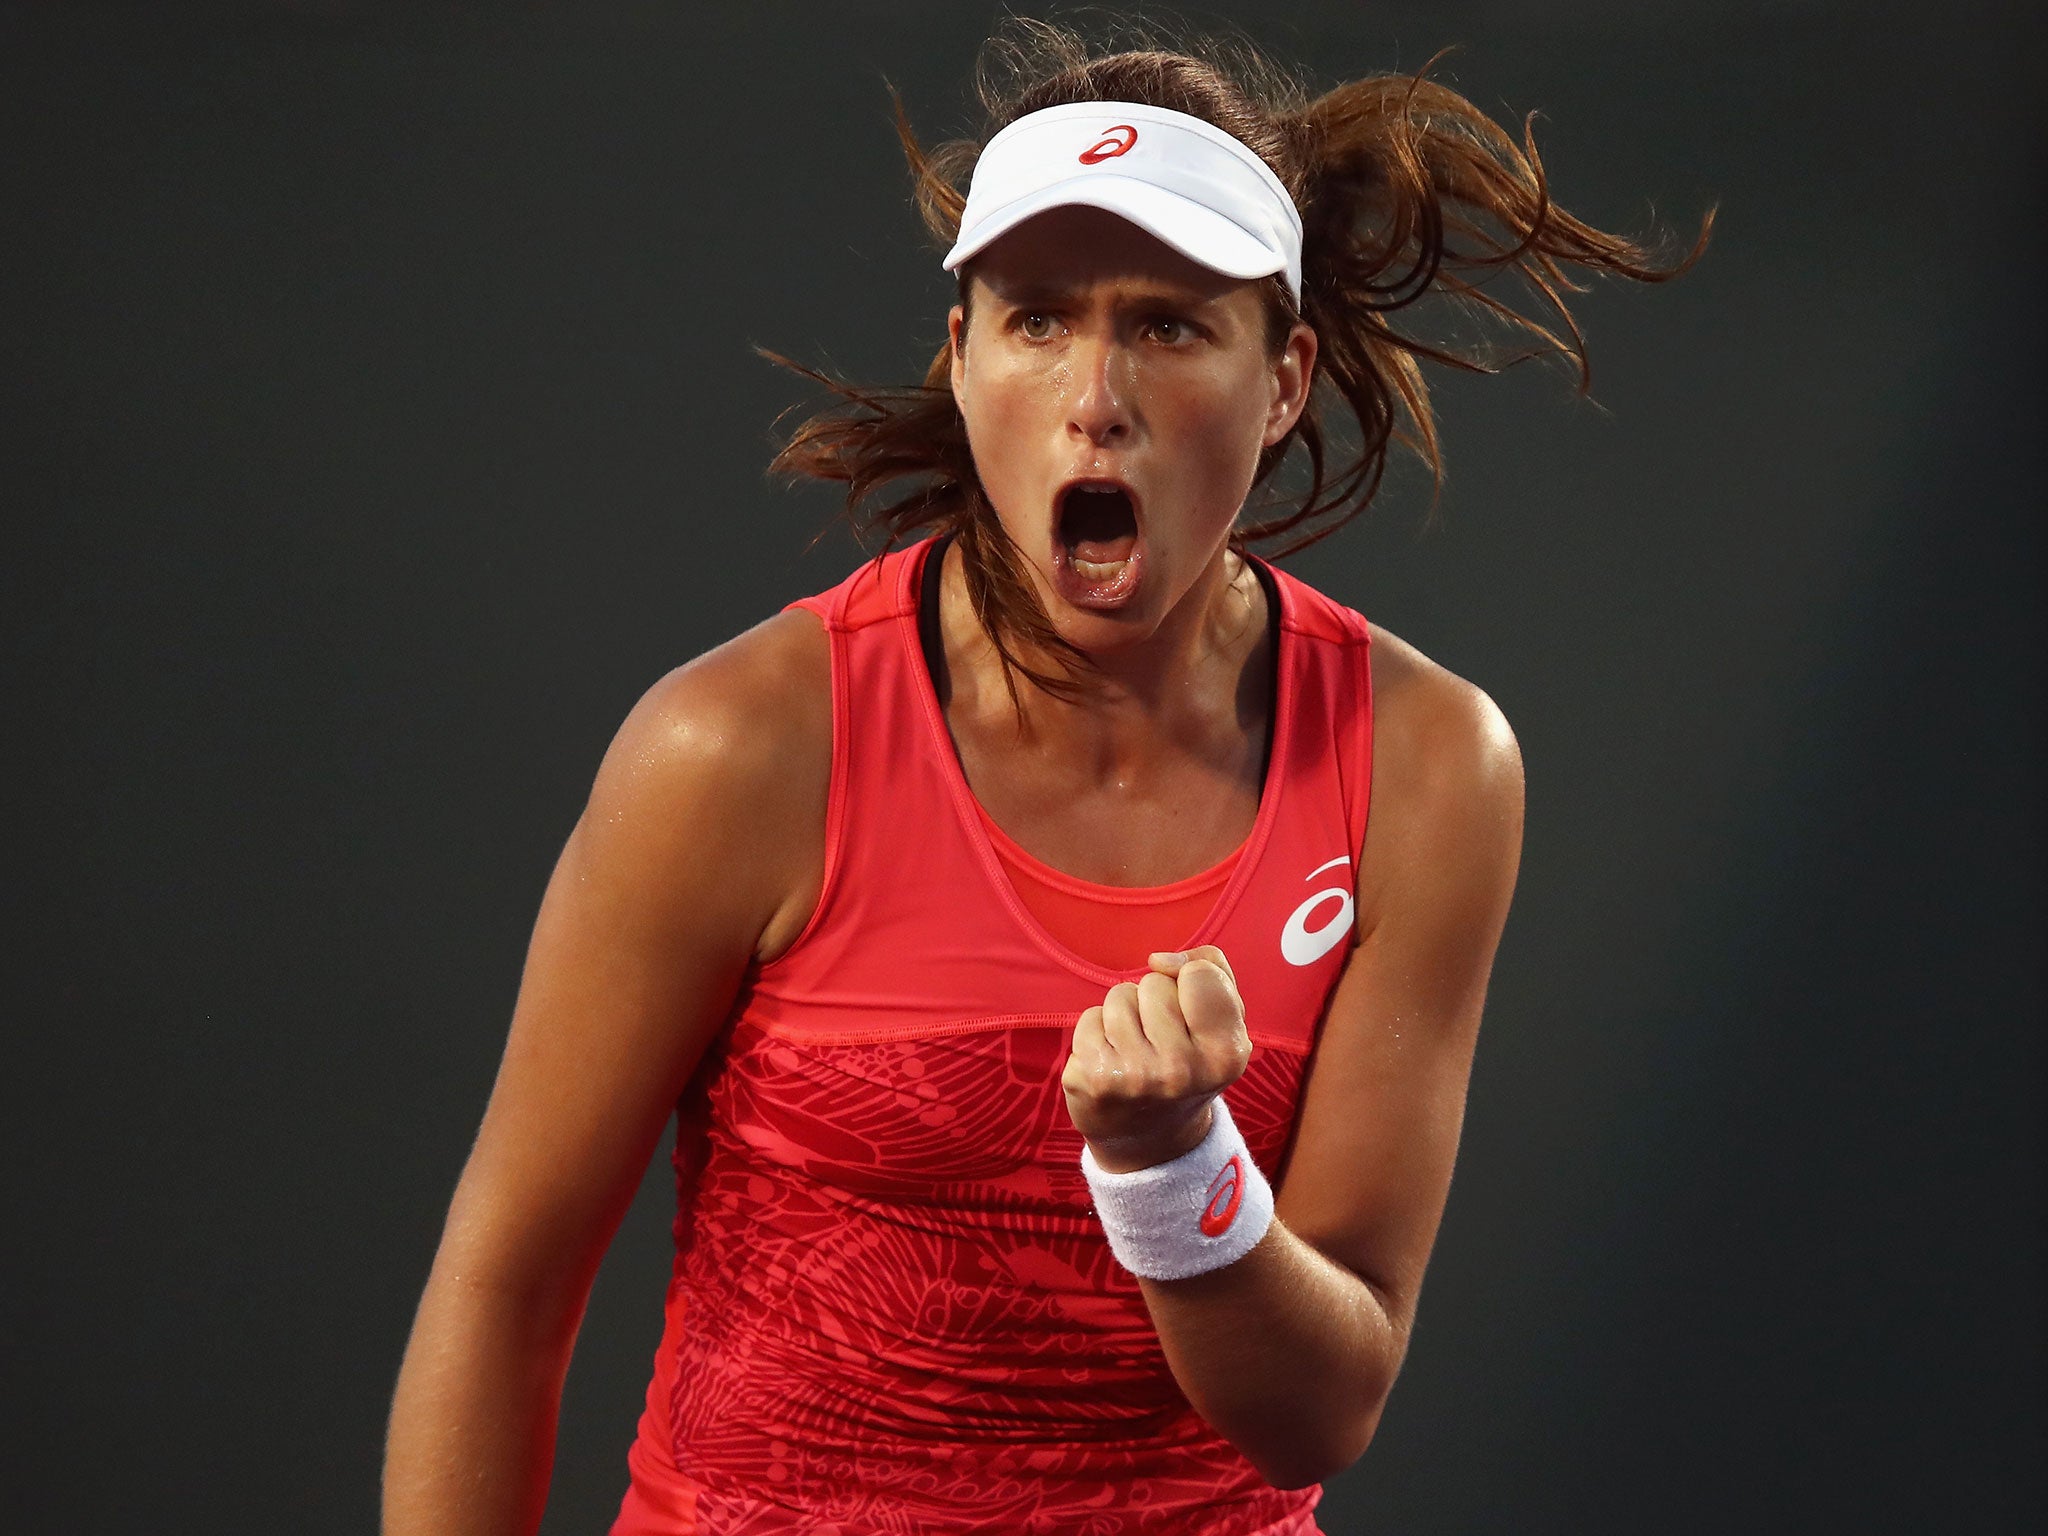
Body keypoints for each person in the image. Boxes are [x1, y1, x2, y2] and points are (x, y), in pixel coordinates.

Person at [383, 21, 1705, 1535]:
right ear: (961, 363)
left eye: (1166, 326)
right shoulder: (739, 747)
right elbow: (508, 1286)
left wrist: (1172, 1169)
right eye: (1036, 322)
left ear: (1282, 383)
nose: (1096, 396)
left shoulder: (1424, 768)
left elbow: (1320, 1410)